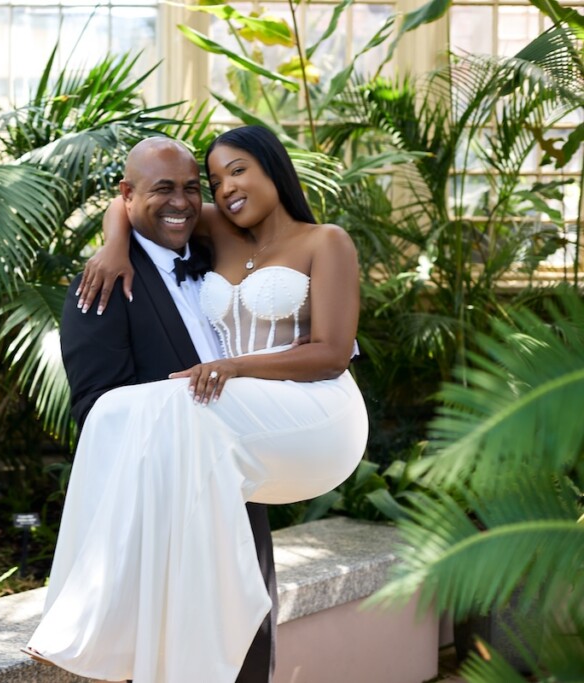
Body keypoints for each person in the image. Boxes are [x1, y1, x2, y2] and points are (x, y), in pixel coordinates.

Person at [25, 128, 367, 682]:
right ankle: (79, 619)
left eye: (235, 172)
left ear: (272, 168)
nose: (212, 192)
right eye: (216, 180)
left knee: (180, 403)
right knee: (131, 410)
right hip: (209, 465)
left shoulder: (317, 240)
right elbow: (136, 201)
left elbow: (330, 353)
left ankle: (85, 626)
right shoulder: (124, 275)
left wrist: (231, 367)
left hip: (299, 414)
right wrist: (114, 242)